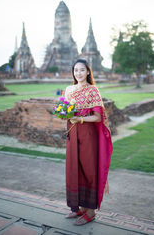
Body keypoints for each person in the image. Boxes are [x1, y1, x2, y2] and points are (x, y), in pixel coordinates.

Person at [64, 58, 113, 226]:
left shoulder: (92, 90)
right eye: (76, 70)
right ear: (73, 72)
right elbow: (66, 111)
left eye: (82, 70)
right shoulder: (69, 89)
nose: (78, 73)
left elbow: (98, 117)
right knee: (74, 169)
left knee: (88, 169)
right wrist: (64, 114)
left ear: (88, 72)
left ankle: (90, 211)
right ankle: (80, 207)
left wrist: (80, 119)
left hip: (87, 136)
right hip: (72, 134)